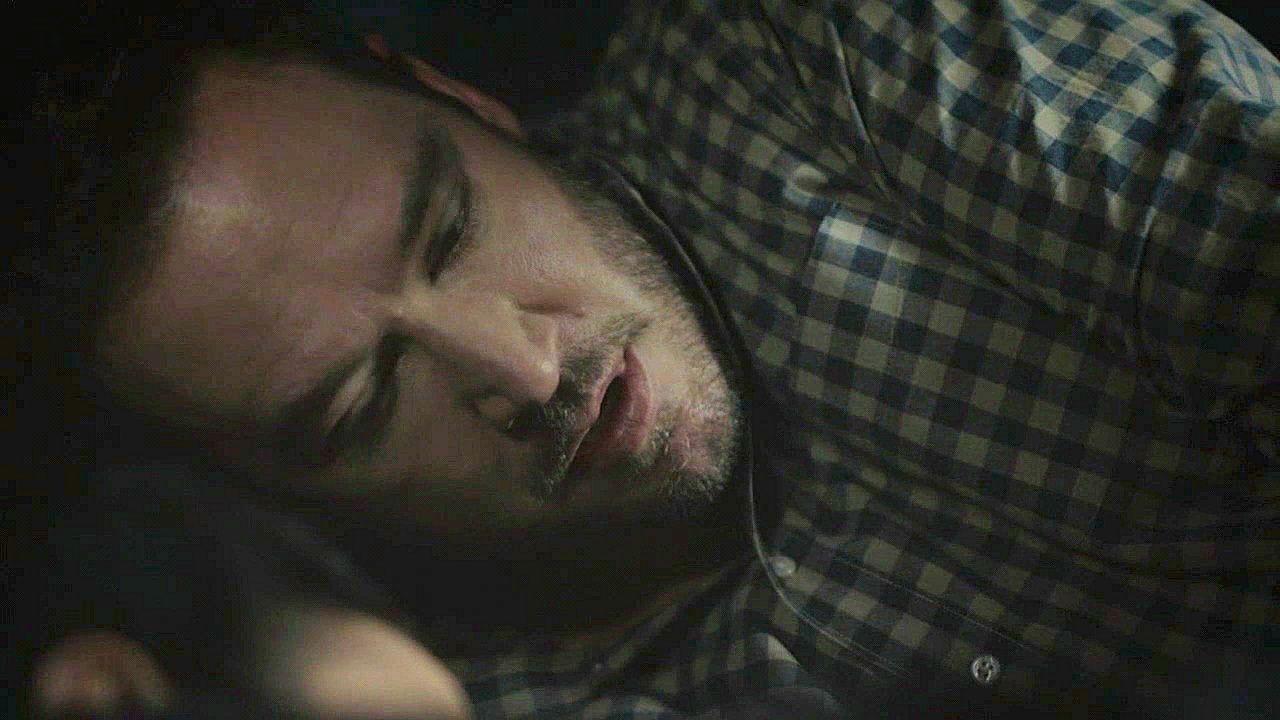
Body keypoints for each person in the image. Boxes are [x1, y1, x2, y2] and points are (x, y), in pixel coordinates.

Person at [10, 0, 1277, 717]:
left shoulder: (805, 57)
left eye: (451, 227)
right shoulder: (406, 692)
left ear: (461, 97)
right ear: (255, 493)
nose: (524, 371)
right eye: (363, 402)